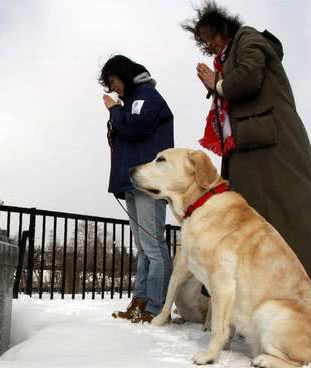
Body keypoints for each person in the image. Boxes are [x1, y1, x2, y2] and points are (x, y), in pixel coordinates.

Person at [184, 1, 311, 292]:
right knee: (249, 222)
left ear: (224, 28)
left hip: (270, 145)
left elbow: (250, 77)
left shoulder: (249, 37)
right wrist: (219, 83)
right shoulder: (228, 57)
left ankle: (289, 289)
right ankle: (253, 293)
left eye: (212, 36)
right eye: (204, 41)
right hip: (252, 145)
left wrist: (219, 84)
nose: (210, 44)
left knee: (281, 218)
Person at [99, 55, 174, 322]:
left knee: (153, 245)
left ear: (124, 74)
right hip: (133, 182)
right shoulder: (133, 102)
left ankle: (156, 307)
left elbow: (135, 129)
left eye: (113, 81)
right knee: (143, 247)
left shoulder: (146, 96)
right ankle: (140, 301)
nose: (113, 88)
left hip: (148, 183)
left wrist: (114, 111)